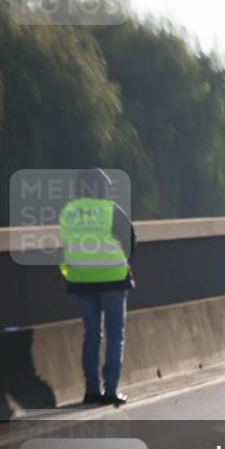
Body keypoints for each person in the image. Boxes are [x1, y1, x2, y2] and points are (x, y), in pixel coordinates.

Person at [59, 168, 135, 406]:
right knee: (114, 335)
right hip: (112, 278)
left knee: (91, 335)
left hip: (80, 280)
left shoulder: (68, 212)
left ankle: (91, 390)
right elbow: (130, 241)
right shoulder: (109, 210)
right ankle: (110, 389)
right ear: (102, 188)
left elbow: (68, 241)